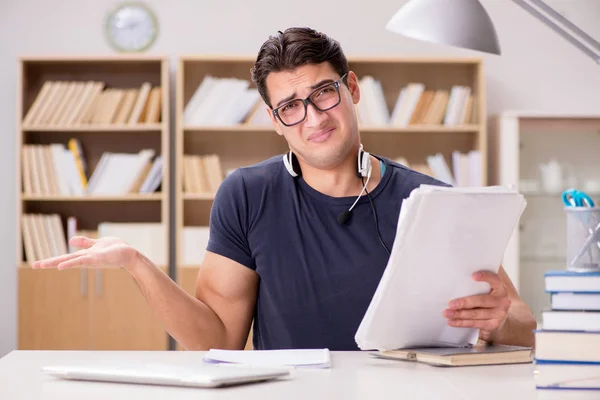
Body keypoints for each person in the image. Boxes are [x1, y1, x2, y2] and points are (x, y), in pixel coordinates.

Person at [32, 27, 537, 351]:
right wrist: (138, 267)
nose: (313, 118)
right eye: (290, 106)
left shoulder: (436, 200)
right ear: (276, 121)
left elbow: (522, 320)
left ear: (352, 89)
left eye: (323, 93)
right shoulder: (247, 195)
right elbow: (219, 340)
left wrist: (499, 323)